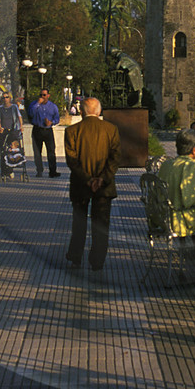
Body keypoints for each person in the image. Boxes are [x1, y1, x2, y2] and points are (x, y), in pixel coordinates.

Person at [64, 96, 120, 271]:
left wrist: (88, 180)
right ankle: (97, 261)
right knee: (101, 224)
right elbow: (115, 158)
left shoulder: (72, 131)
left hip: (81, 186)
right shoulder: (111, 130)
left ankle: (75, 257)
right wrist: (102, 178)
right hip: (104, 187)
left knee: (79, 223)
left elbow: (72, 161)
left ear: (81, 111)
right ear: (99, 111)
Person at [156, 129, 195, 236]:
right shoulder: (194, 166)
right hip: (181, 220)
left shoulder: (167, 164)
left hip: (162, 217)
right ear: (194, 150)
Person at [27, 88, 61, 177]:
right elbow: (31, 113)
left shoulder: (53, 106)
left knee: (51, 151)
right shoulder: (34, 105)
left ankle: (52, 171)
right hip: (37, 130)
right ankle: (39, 170)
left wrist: (51, 122)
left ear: (48, 96)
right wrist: (38, 103)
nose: (42, 97)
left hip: (48, 130)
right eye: (41, 95)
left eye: (44, 95)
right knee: (37, 152)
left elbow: (57, 118)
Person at [0, 92, 23, 177]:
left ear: (9, 98)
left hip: (13, 130)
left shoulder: (14, 107)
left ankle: (10, 169)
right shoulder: (0, 108)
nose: (5, 99)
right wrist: (0, 127)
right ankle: (4, 171)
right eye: (3, 97)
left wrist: (21, 126)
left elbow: (19, 117)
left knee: (12, 149)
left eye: (7, 97)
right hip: (4, 131)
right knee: (3, 151)